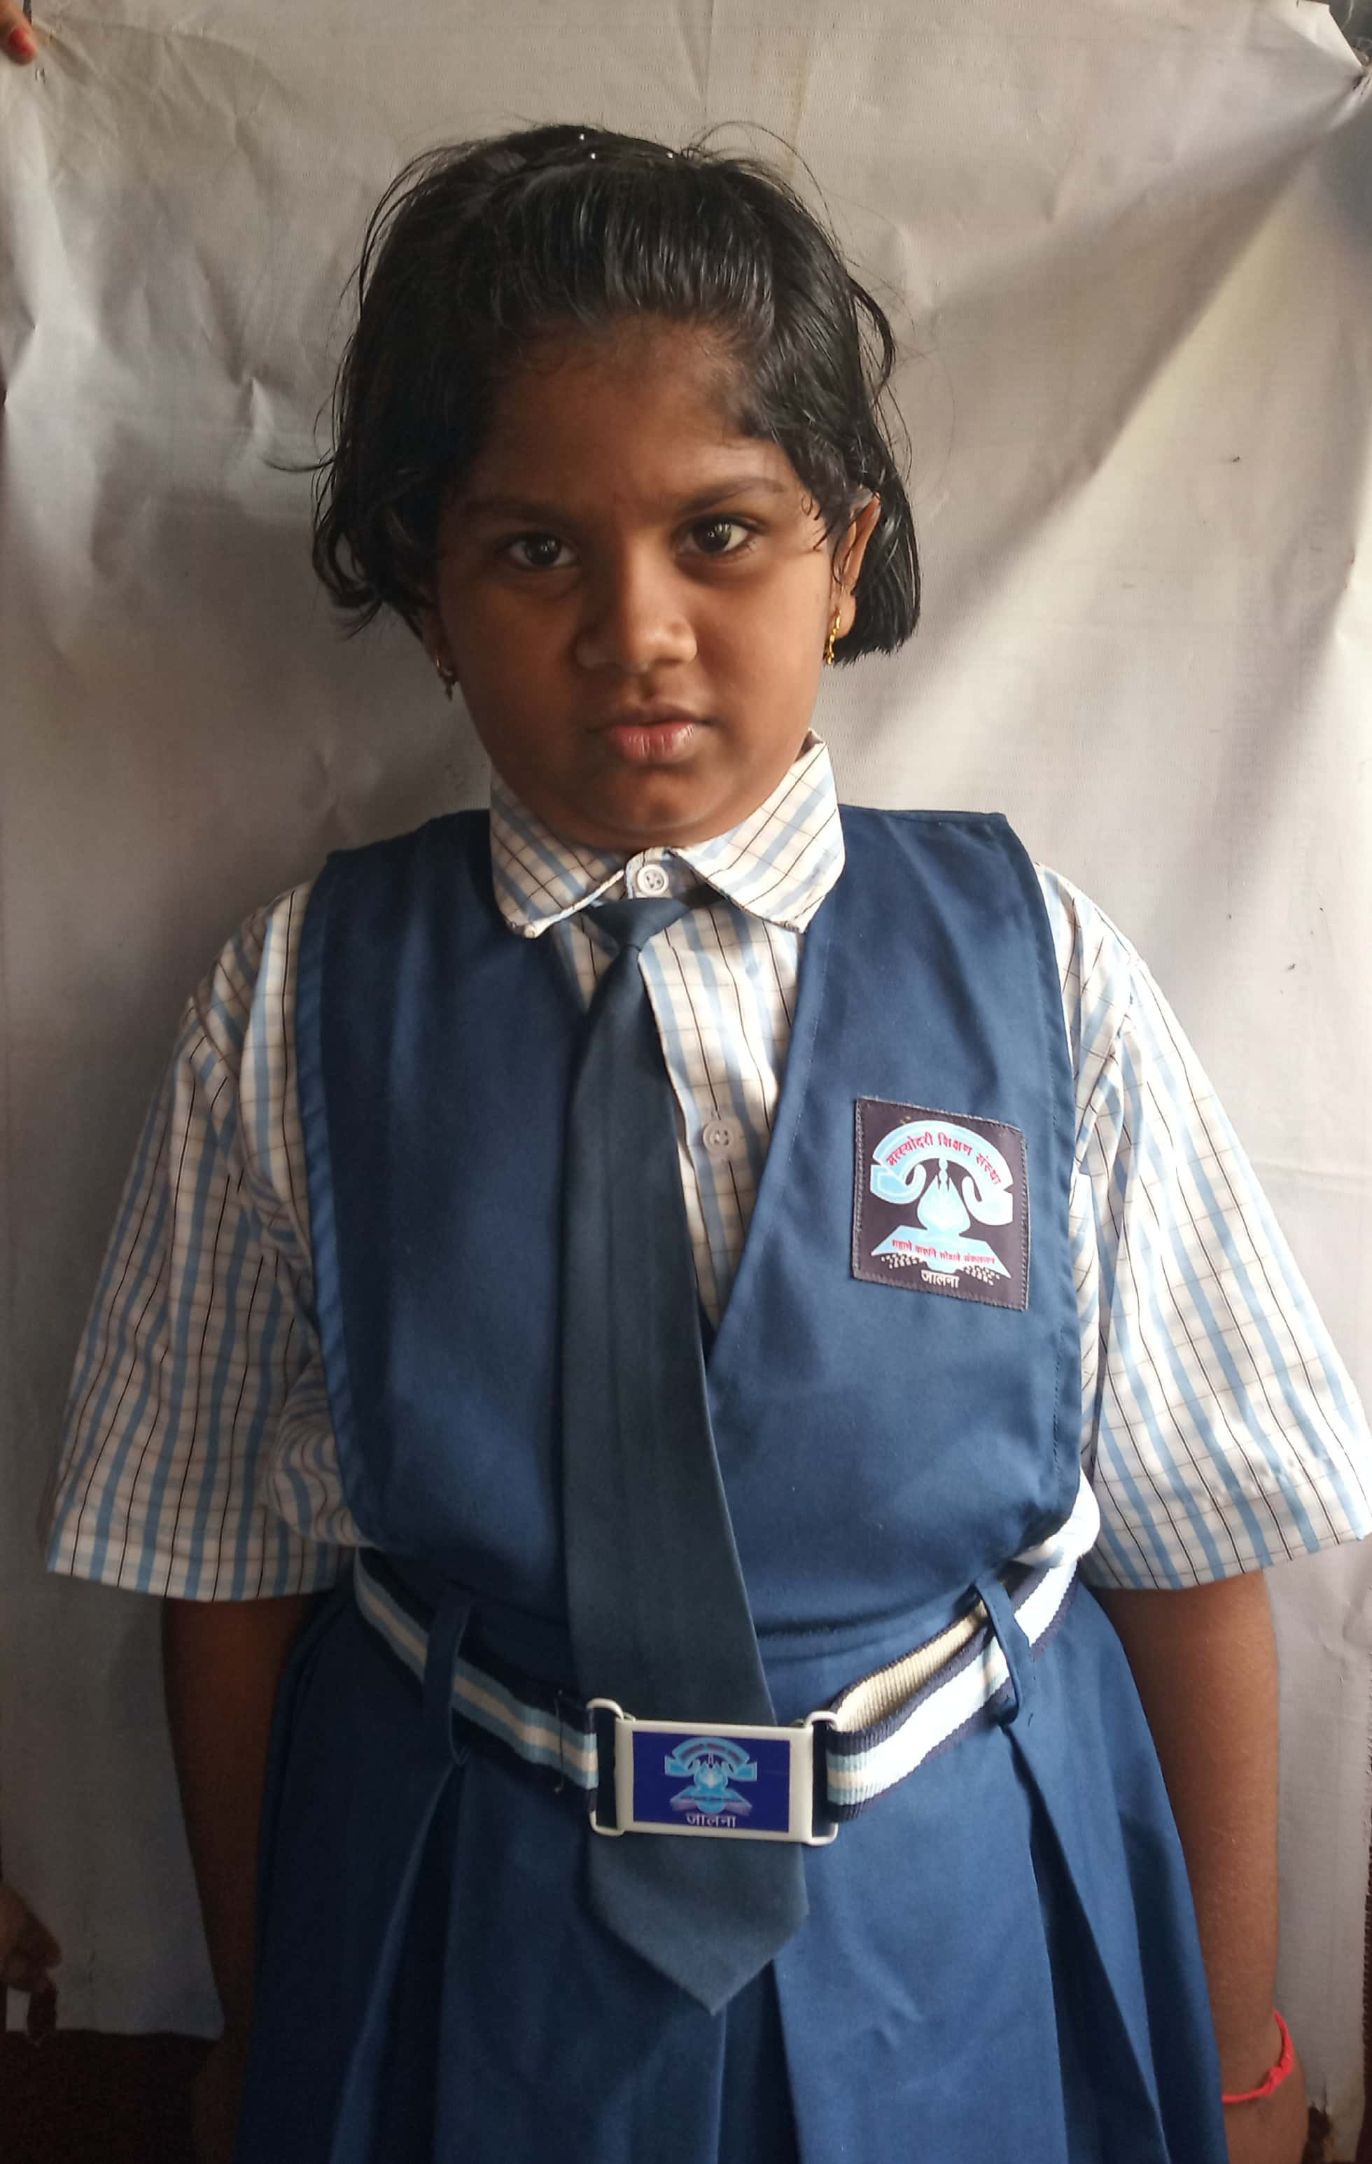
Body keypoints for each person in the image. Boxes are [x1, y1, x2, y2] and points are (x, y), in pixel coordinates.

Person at [42, 124, 1371, 2164]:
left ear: (844, 556)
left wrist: (1238, 2058)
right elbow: (215, 1580)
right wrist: (264, 2022)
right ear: (426, 591)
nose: (636, 628)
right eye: (534, 551)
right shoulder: (294, 1001)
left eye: (721, 533)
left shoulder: (1038, 976)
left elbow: (1192, 1551)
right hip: (465, 1934)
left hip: (961, 1930)